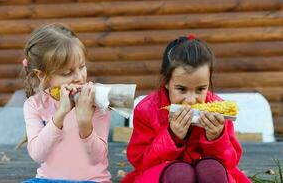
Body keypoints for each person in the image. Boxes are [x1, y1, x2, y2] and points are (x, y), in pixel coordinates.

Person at [121, 35, 251, 183]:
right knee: (180, 173)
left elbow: (230, 163)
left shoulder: (218, 112)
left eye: (200, 89)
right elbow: (141, 163)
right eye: (182, 89)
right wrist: (171, 136)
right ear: (166, 82)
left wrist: (216, 138)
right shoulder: (146, 110)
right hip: (163, 176)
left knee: (212, 169)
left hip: (206, 175)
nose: (190, 100)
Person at [21, 23, 111, 183]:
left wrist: (85, 123)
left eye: (82, 67)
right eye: (67, 73)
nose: (79, 77)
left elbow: (98, 157)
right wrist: (60, 114)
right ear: (42, 75)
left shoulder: (96, 101)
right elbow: (37, 154)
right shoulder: (34, 105)